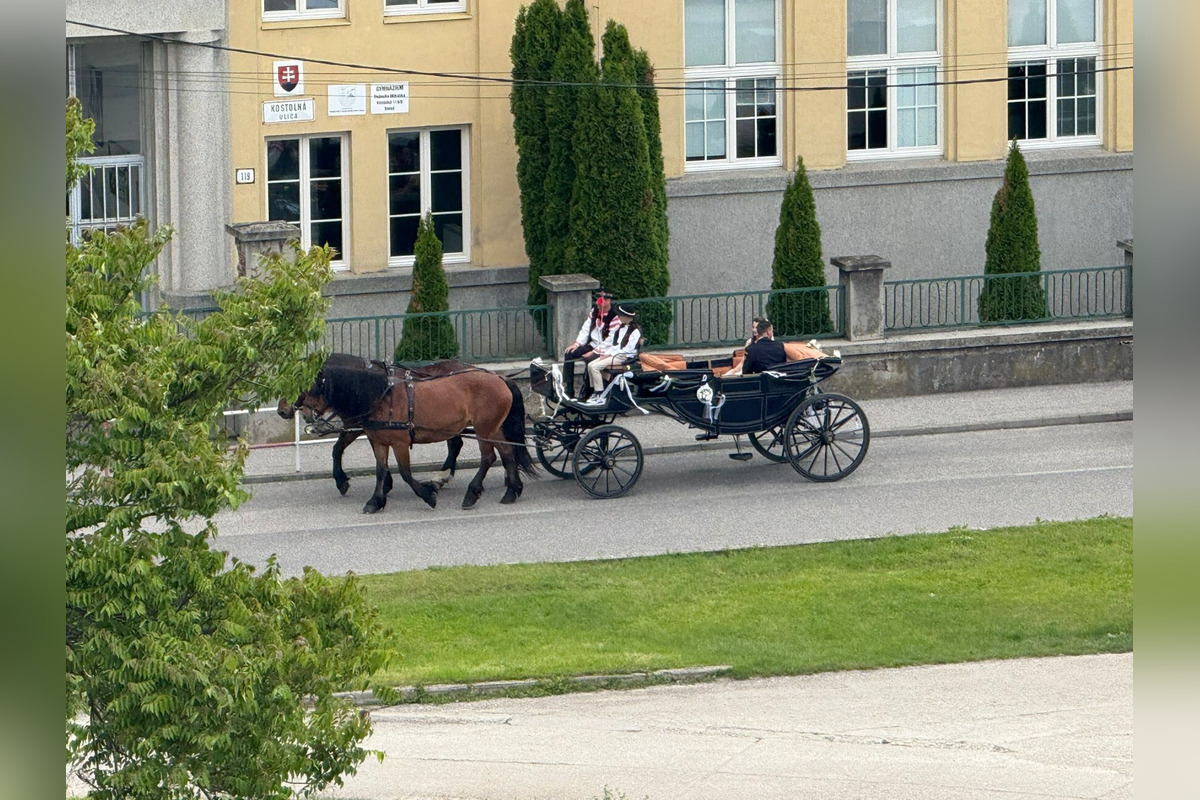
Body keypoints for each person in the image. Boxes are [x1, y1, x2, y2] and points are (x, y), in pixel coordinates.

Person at [563, 288, 619, 397]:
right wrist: (577, 344)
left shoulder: (614, 316)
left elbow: (610, 340)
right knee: (569, 353)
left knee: (589, 359)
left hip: (605, 349)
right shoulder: (594, 311)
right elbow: (586, 328)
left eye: (601, 301)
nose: (598, 304)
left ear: (608, 301)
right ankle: (568, 388)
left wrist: (594, 352)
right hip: (593, 344)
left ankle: (587, 392)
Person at [584, 303, 643, 398]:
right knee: (590, 365)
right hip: (616, 354)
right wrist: (606, 353)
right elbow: (615, 345)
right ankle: (596, 389)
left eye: (619, 315)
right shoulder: (621, 327)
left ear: (625, 316)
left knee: (595, 367)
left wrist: (610, 354)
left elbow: (627, 349)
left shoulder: (635, 331)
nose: (618, 317)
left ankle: (599, 392)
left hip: (624, 356)